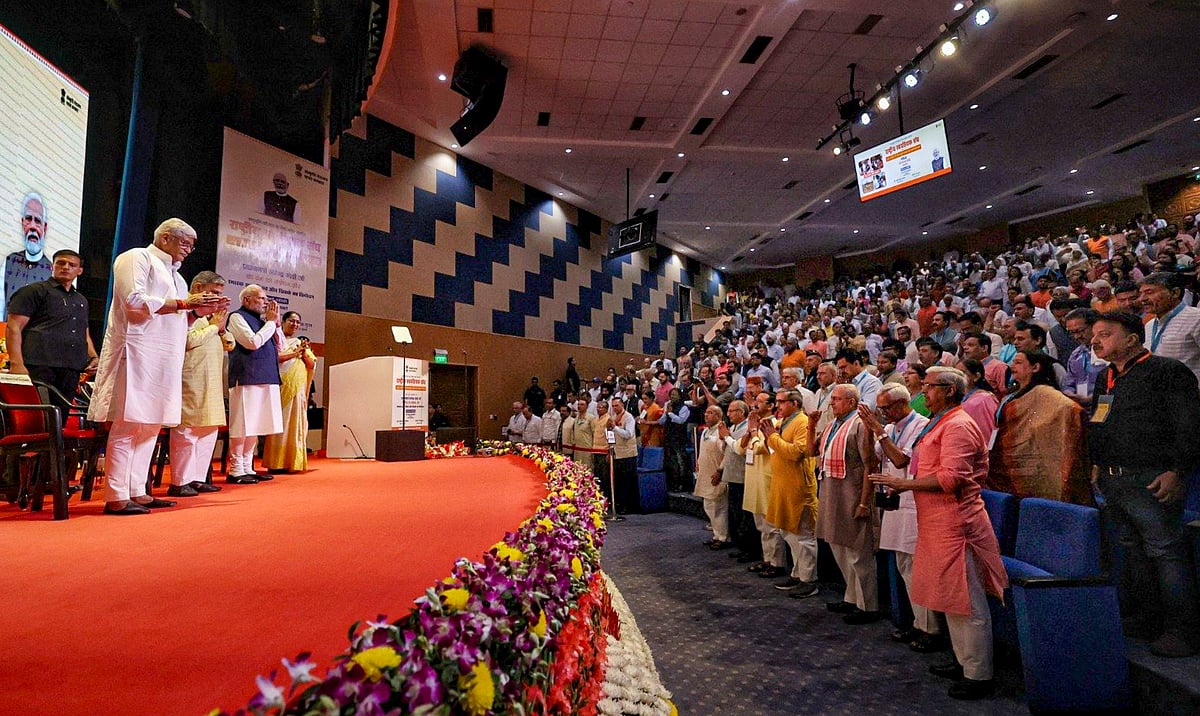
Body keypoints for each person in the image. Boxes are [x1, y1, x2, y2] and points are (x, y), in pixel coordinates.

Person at [869, 367, 1008, 700]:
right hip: (936, 521)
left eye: (929, 387)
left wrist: (902, 484)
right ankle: (964, 663)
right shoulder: (939, 421)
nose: (923, 392)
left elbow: (950, 479)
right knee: (950, 599)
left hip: (957, 521)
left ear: (948, 390)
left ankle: (978, 674)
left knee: (967, 600)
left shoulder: (958, 424)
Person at [89, 218, 228, 515]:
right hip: (137, 352)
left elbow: (177, 320)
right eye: (185, 243)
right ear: (165, 238)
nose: (189, 250)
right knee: (127, 424)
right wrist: (184, 304)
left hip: (166, 358)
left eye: (192, 245)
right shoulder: (136, 257)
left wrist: (197, 312)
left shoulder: (177, 277)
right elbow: (134, 302)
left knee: (151, 426)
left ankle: (138, 490)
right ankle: (116, 495)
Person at [1089, 311, 1200, 657]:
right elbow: (1099, 421)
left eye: (1105, 334)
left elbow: (1189, 426)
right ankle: (1148, 619)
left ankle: (1184, 631)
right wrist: (1096, 463)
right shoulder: (1105, 376)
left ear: (1133, 339)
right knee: (1134, 551)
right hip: (1112, 477)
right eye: (1095, 335)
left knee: (1165, 551)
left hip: (1151, 478)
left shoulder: (1166, 371)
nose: (1096, 341)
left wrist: (1177, 471)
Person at [857, 385, 945, 652]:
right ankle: (918, 622)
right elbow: (872, 458)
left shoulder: (920, 425)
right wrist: (870, 431)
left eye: (886, 409)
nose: (882, 414)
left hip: (912, 504)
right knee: (903, 566)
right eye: (880, 410)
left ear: (900, 404)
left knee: (916, 568)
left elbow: (898, 460)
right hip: (894, 501)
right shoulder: (892, 426)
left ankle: (930, 628)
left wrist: (879, 430)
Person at [811, 384, 880, 622]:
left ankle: (867, 606)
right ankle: (852, 597)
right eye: (832, 399)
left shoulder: (860, 424)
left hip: (852, 493)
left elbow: (870, 464)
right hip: (832, 492)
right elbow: (812, 451)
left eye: (837, 399)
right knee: (839, 547)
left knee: (858, 553)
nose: (832, 403)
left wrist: (864, 502)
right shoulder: (832, 424)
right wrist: (812, 425)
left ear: (851, 402)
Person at [989, 350, 1088, 503]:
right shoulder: (1012, 393)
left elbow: (1071, 409)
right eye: (1013, 362)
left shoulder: (1045, 393)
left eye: (1019, 362)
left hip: (1031, 461)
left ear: (1035, 367)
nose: (1012, 366)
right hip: (1004, 457)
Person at [167, 271, 233, 497]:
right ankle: (179, 481)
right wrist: (214, 326)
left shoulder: (210, 315)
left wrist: (221, 328)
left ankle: (197, 478)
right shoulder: (186, 309)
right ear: (197, 288)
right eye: (213, 292)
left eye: (219, 294)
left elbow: (230, 345)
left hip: (212, 379)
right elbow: (188, 340)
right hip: (191, 376)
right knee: (188, 429)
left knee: (208, 430)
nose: (217, 298)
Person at [5, 249, 98, 408]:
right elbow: (14, 326)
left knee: (60, 419)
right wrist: (17, 364)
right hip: (40, 365)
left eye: (72, 265)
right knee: (39, 417)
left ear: (80, 271)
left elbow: (83, 331)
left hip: (71, 368)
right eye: (61, 263)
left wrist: (93, 357)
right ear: (52, 266)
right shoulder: (33, 291)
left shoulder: (81, 299)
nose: (66, 267)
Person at [758, 388, 820, 597]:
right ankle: (798, 574)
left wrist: (772, 437)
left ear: (794, 403)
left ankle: (809, 580)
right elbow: (774, 449)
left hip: (798, 487)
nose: (778, 406)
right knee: (788, 533)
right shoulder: (783, 421)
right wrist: (769, 438)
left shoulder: (801, 422)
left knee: (802, 537)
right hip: (782, 485)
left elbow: (797, 452)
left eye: (782, 402)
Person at [226, 284, 285, 483]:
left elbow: (281, 347)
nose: (265, 302)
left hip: (267, 375)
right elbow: (252, 342)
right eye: (260, 298)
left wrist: (276, 325)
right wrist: (269, 324)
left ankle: (247, 466)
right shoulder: (236, 317)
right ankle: (235, 469)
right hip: (246, 377)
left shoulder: (264, 322)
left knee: (256, 423)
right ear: (246, 300)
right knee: (242, 424)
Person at [735, 391, 788, 578]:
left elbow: (763, 448)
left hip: (768, 479)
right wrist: (751, 430)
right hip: (754, 479)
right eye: (755, 401)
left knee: (772, 526)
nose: (756, 404)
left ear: (772, 405)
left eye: (760, 401)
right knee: (762, 527)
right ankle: (767, 559)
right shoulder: (755, 425)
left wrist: (753, 431)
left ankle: (778, 563)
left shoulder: (774, 424)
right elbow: (742, 449)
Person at [262, 312, 316, 472]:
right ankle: (276, 463)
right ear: (283, 322)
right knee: (279, 423)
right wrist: (294, 353)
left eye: (298, 322)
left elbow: (311, 365)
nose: (295, 324)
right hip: (279, 387)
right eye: (292, 321)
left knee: (295, 424)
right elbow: (274, 359)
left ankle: (293, 462)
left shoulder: (300, 343)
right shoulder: (274, 340)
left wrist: (303, 353)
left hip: (296, 388)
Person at [1139, 271, 1200, 384]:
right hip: (1160, 396)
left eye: (1149, 292)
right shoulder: (1149, 325)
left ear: (1174, 293)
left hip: (1191, 396)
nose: (1142, 299)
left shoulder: (1196, 318)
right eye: (1141, 294)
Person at [4, 192, 53, 319]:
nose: (32, 226)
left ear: (45, 228)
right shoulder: (9, 262)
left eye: (37, 221)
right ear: (22, 222)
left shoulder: (51, 270)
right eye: (28, 219)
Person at [716, 400, 752, 560]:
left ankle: (748, 547)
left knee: (744, 515)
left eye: (732, 411)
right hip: (732, 475)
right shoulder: (733, 427)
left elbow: (740, 449)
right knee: (735, 513)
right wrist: (724, 438)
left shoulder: (747, 428)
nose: (729, 414)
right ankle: (739, 544)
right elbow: (727, 450)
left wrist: (727, 437)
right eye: (728, 411)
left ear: (742, 412)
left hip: (743, 476)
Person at [696, 404, 729, 548]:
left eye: (710, 413)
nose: (706, 415)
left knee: (719, 507)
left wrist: (720, 471)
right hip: (705, 473)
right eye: (706, 412)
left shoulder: (721, 431)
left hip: (717, 473)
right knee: (709, 506)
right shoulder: (705, 431)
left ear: (718, 416)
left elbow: (726, 452)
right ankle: (716, 534)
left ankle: (722, 537)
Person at [607, 397, 639, 513]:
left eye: (617, 405)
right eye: (613, 406)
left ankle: (629, 506)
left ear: (622, 405)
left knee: (628, 481)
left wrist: (614, 428)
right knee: (619, 481)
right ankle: (620, 504)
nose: (615, 408)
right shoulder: (614, 417)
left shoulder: (629, 417)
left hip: (628, 453)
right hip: (617, 453)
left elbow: (628, 434)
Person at [956, 359, 999, 440]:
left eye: (962, 373)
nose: (956, 378)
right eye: (955, 373)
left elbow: (989, 431)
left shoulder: (983, 400)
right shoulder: (960, 397)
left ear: (976, 376)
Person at [658, 387, 691, 492]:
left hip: (679, 439)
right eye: (671, 395)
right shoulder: (668, 407)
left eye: (675, 395)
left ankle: (682, 484)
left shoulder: (684, 408)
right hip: (668, 437)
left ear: (679, 396)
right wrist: (665, 413)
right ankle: (672, 483)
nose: (672, 397)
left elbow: (681, 421)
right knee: (670, 462)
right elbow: (661, 421)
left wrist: (670, 413)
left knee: (680, 461)